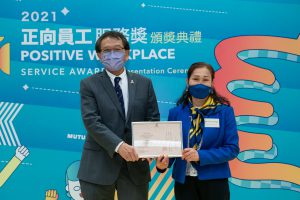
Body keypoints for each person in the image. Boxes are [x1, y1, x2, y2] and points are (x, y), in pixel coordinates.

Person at [77, 31, 160, 200]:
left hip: (135, 166)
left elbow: (153, 120)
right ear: (99, 55)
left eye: (117, 49)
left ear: (127, 53)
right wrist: (119, 146)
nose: (112, 54)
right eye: (106, 51)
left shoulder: (144, 83)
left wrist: (149, 150)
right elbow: (92, 121)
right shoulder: (89, 84)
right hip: (98, 166)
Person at [156, 62, 239, 200]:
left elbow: (232, 149)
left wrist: (200, 155)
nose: (200, 83)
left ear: (212, 83)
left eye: (205, 79)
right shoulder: (175, 113)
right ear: (187, 81)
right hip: (184, 182)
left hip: (215, 181)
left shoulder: (225, 112)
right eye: (195, 79)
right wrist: (162, 164)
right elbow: (172, 148)